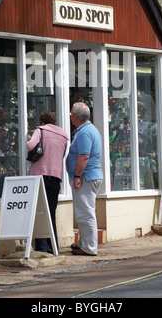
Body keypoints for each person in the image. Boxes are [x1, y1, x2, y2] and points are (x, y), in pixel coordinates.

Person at [27, 111, 69, 253]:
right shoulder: (63, 135)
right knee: (51, 212)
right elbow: (62, 154)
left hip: (40, 176)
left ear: (43, 122)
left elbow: (30, 145)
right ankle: (53, 247)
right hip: (56, 177)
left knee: (40, 212)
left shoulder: (40, 130)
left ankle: (42, 248)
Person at [66, 102, 103, 256]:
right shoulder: (89, 129)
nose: (70, 117)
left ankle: (89, 247)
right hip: (90, 176)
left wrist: (76, 176)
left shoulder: (84, 132)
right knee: (84, 210)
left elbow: (84, 156)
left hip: (85, 177)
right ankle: (83, 243)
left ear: (75, 117)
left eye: (70, 115)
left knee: (85, 212)